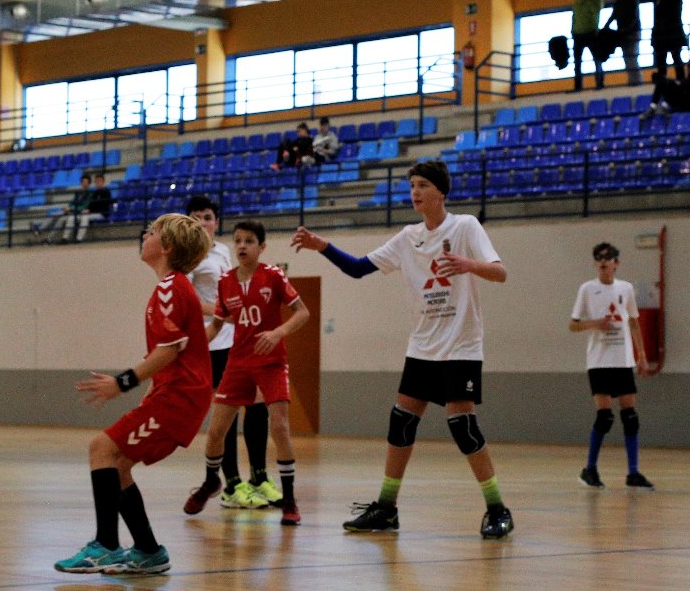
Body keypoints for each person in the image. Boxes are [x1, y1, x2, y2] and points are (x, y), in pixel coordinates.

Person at [291, 160, 514, 540]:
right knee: (401, 421)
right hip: (423, 346)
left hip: (461, 345)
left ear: (441, 192)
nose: (415, 191)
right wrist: (321, 246)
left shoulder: (465, 226)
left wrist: (469, 264)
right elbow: (359, 268)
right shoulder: (407, 237)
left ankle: (497, 509)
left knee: (462, 426)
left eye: (423, 184)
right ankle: (386, 509)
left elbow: (500, 272)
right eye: (412, 185)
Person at [55, 213, 212, 576]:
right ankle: (147, 550)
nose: (146, 234)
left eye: (153, 232)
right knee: (119, 463)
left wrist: (120, 383)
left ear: (167, 246)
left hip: (179, 399)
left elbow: (169, 350)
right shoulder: (171, 287)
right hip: (174, 396)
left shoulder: (171, 287)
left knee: (101, 448)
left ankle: (106, 545)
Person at [196, 220, 311, 525]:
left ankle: (289, 499)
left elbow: (303, 312)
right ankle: (212, 481)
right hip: (238, 363)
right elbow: (218, 324)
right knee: (217, 429)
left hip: (271, 361)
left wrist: (277, 333)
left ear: (262, 247)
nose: (242, 246)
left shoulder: (273, 275)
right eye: (238, 241)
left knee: (280, 427)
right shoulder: (226, 281)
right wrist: (191, 348)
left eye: (249, 241)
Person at [182, 195, 270, 512]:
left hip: (237, 339)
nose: (202, 222)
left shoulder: (222, 251)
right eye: (195, 217)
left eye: (207, 217)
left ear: (216, 222)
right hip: (211, 343)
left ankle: (260, 479)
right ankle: (232, 485)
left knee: (259, 401)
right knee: (227, 415)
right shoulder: (189, 257)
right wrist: (221, 312)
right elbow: (189, 301)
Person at [569, 242, 652, 490]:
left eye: (608, 258)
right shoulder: (587, 289)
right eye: (599, 258)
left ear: (616, 262)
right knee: (605, 417)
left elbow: (634, 323)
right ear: (595, 264)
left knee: (630, 417)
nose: (603, 262)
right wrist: (594, 323)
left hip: (623, 360)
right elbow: (573, 325)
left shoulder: (626, 289)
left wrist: (642, 355)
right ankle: (590, 470)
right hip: (599, 361)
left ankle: (633, 473)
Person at [606, 0, 642, 85]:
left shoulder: (633, 0)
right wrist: (605, 28)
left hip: (632, 33)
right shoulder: (618, 3)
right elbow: (613, 16)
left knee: (632, 56)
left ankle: (636, 80)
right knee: (627, 57)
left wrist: (627, 29)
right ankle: (632, 79)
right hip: (622, 34)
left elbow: (634, 17)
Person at [571, 0, 605, 90]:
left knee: (596, 59)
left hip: (591, 33)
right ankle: (578, 86)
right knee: (577, 62)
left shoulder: (597, 0)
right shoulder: (577, 2)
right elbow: (574, 16)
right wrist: (572, 30)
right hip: (578, 34)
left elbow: (595, 11)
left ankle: (599, 83)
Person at [651, 0, 686, 83]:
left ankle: (680, 78)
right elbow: (658, 20)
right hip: (662, 36)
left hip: (673, 35)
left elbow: (674, 17)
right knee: (662, 60)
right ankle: (663, 79)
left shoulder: (676, 2)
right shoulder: (662, 3)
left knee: (676, 58)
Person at [68, 172, 114, 242]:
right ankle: (69, 238)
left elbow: (103, 205)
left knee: (85, 217)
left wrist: (90, 210)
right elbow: (91, 204)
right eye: (96, 181)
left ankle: (79, 239)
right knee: (75, 217)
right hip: (93, 213)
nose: (98, 183)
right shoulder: (94, 193)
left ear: (103, 182)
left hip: (102, 213)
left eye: (100, 181)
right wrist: (88, 209)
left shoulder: (106, 191)